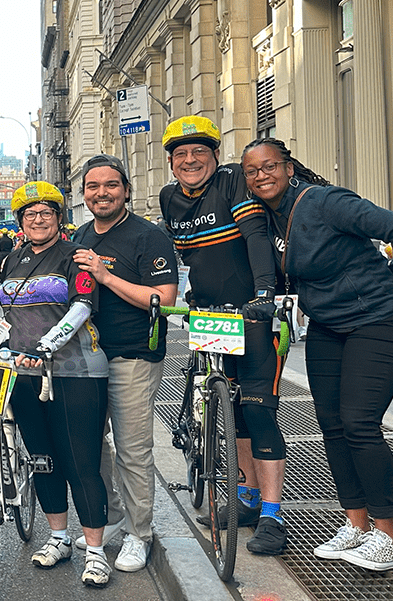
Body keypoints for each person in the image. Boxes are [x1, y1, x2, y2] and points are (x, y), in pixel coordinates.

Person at [242, 138, 393, 571]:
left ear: (289, 167)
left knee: (359, 423)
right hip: (330, 326)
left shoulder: (323, 201)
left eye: (269, 166)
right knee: (333, 425)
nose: (261, 175)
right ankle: (355, 525)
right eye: (252, 171)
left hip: (384, 321)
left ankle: (388, 537)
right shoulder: (268, 218)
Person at [158, 116, 289, 556]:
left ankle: (272, 514)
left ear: (215, 155)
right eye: (180, 155)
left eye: (199, 152)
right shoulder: (168, 198)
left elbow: (253, 237)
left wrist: (265, 294)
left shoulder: (232, 180)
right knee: (228, 406)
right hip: (209, 317)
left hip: (250, 314)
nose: (190, 160)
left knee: (259, 411)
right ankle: (247, 498)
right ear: (172, 164)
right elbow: (185, 256)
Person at [0, 181, 111, 587]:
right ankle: (59, 538)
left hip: (75, 371)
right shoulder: (12, 259)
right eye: (30, 214)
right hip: (24, 373)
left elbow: (82, 307)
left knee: (80, 462)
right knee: (42, 459)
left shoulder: (74, 256)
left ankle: (95, 552)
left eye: (46, 212)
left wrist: (47, 346)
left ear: (59, 218)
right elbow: (8, 316)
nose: (38, 219)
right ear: (20, 222)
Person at [70, 154, 178, 572]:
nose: (102, 193)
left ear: (126, 190)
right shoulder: (80, 236)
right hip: (85, 359)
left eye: (110, 185)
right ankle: (113, 517)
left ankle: (140, 534)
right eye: (93, 186)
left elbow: (164, 300)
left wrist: (106, 276)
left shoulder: (147, 237)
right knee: (92, 446)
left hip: (132, 355)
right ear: (84, 194)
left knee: (133, 451)